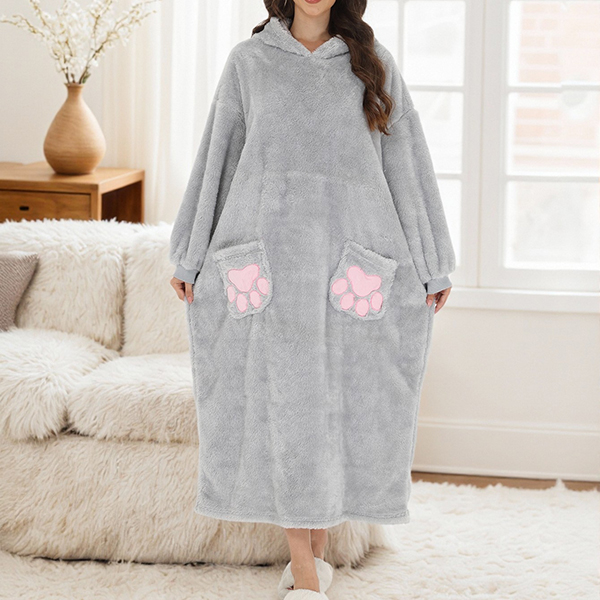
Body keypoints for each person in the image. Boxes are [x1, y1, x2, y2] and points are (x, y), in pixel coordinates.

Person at [169, 1, 455, 598]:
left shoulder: (373, 64)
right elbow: (218, 156)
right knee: (289, 414)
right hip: (269, 268)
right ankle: (305, 577)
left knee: (330, 414)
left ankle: (315, 561)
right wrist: (190, 254)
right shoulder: (249, 63)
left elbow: (406, 161)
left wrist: (432, 264)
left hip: (352, 264)